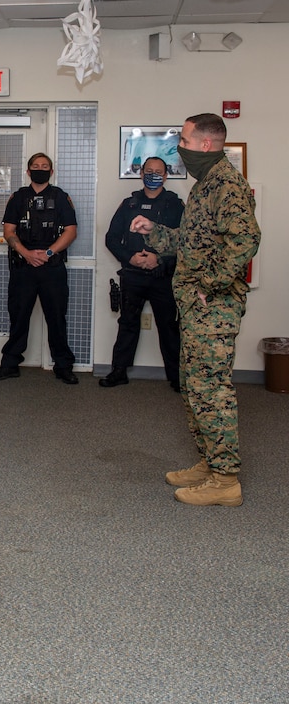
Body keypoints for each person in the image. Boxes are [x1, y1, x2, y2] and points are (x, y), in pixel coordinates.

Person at [130, 113, 260, 507]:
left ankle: (226, 479)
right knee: (193, 385)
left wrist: (210, 283)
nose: (179, 147)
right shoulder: (205, 185)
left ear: (205, 144)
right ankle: (209, 462)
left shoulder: (227, 185)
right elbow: (191, 243)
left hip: (213, 305)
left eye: (184, 140)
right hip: (195, 305)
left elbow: (246, 241)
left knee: (211, 388)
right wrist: (152, 231)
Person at [0, 153, 79, 384]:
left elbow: (71, 231)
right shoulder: (18, 198)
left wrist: (47, 253)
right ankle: (10, 364)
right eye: (36, 166)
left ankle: (63, 366)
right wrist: (27, 254)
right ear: (28, 172)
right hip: (23, 267)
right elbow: (9, 231)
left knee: (57, 318)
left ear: (51, 171)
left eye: (45, 166)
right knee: (18, 317)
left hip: (52, 267)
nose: (40, 169)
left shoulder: (61, 197)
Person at [101, 157, 184, 390]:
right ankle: (119, 371)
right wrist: (131, 258)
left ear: (166, 176)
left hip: (163, 275)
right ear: (141, 174)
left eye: (159, 172)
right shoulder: (129, 204)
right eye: (149, 171)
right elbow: (111, 238)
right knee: (127, 323)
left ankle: (177, 377)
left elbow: (186, 242)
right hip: (132, 274)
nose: (153, 175)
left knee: (168, 326)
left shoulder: (176, 205)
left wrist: (159, 259)